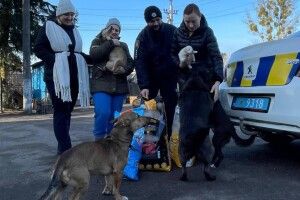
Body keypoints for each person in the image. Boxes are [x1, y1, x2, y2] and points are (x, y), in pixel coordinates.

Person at [171, 3, 224, 177]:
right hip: (185, 83)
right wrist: (180, 63)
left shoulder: (208, 33)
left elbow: (216, 56)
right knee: (186, 123)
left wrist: (217, 80)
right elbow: (171, 55)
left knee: (202, 123)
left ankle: (206, 163)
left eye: (194, 21)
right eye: (187, 22)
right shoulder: (177, 33)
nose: (191, 25)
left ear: (200, 17)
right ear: (183, 20)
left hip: (204, 82)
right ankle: (185, 162)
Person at [34, 0, 91, 155]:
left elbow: (76, 53)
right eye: (67, 14)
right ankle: (66, 149)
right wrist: (57, 60)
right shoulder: (49, 27)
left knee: (68, 111)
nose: (70, 17)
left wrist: (92, 59)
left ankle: (63, 145)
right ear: (59, 14)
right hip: (56, 77)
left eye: (72, 14)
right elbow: (38, 48)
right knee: (60, 110)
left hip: (73, 76)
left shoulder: (74, 30)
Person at [134, 5, 178, 140]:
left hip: (170, 77)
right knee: (149, 110)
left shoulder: (173, 31)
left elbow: (182, 53)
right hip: (151, 79)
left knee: (170, 108)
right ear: (147, 22)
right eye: (152, 21)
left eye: (158, 19)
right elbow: (140, 63)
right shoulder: (142, 37)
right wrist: (144, 85)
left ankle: (169, 137)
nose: (156, 23)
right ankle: (149, 140)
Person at [89, 18, 134, 140]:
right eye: (112, 29)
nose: (114, 32)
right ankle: (98, 141)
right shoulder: (97, 41)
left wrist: (125, 70)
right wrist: (110, 43)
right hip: (101, 84)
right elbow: (94, 55)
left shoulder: (123, 45)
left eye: (117, 30)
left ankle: (111, 140)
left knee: (115, 117)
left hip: (119, 86)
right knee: (103, 112)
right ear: (106, 28)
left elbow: (130, 62)